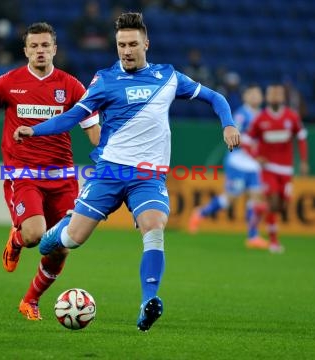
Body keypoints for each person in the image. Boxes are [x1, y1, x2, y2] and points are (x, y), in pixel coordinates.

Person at [13, 12, 240, 331]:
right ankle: (52, 236)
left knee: (155, 227)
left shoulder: (168, 77)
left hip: (147, 177)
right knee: (72, 239)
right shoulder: (104, 80)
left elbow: (215, 97)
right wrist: (34, 131)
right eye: (121, 45)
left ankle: (148, 300)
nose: (127, 50)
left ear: (146, 43)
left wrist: (228, 123)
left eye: (133, 43)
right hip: (109, 173)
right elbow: (73, 116)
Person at [0, 22, 100, 321]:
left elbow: (92, 129)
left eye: (45, 46)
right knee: (34, 235)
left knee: (60, 248)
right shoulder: (8, 82)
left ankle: (30, 301)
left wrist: (107, 152)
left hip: (62, 178)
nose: (40, 51)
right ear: (25, 50)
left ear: (54, 49)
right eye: (34, 46)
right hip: (23, 174)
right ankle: (16, 240)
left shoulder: (71, 86)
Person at [188, 85, 268, 249]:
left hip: (253, 165)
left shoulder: (262, 116)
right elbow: (237, 137)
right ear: (245, 96)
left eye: (258, 93)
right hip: (238, 161)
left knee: (256, 198)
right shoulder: (240, 115)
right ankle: (200, 213)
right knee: (230, 198)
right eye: (252, 93)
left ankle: (253, 236)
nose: (255, 96)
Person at [242, 84, 309, 254]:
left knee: (282, 207)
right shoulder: (261, 118)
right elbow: (246, 141)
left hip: (286, 169)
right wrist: (255, 157)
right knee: (272, 202)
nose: (275, 97)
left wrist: (303, 161)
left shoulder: (291, 117)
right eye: (272, 94)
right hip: (268, 168)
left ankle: (257, 210)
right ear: (267, 97)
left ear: (283, 97)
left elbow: (301, 137)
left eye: (278, 94)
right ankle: (273, 242)